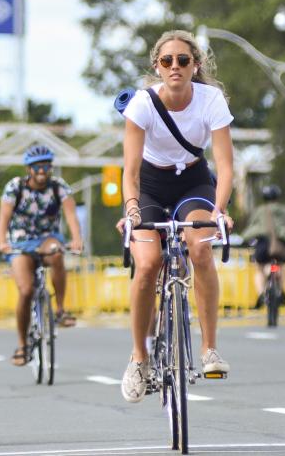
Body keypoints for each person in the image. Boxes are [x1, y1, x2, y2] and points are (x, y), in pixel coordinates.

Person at [117, 29, 235, 403]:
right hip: (150, 185)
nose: (175, 67)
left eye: (183, 60)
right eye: (167, 61)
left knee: (200, 248)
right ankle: (139, 357)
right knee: (148, 262)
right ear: (157, 66)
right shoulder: (142, 104)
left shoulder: (211, 100)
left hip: (194, 181)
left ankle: (209, 349)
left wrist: (219, 210)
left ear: (195, 65)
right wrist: (132, 209)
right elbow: (130, 172)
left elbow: (226, 166)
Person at [0, 145, 85, 366]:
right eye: (37, 166)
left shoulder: (59, 187)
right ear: (29, 168)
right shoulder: (14, 187)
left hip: (47, 237)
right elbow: (3, 218)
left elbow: (71, 215)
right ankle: (22, 345)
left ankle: (61, 310)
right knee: (26, 291)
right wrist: (2, 243)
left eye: (46, 165)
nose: (42, 170)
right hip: (20, 241)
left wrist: (76, 239)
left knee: (57, 254)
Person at [242, 184, 285, 308]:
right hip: (280, 243)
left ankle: (261, 294)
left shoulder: (259, 211)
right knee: (281, 266)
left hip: (264, 244)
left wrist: (245, 240)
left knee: (259, 268)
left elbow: (251, 227)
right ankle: (281, 291)